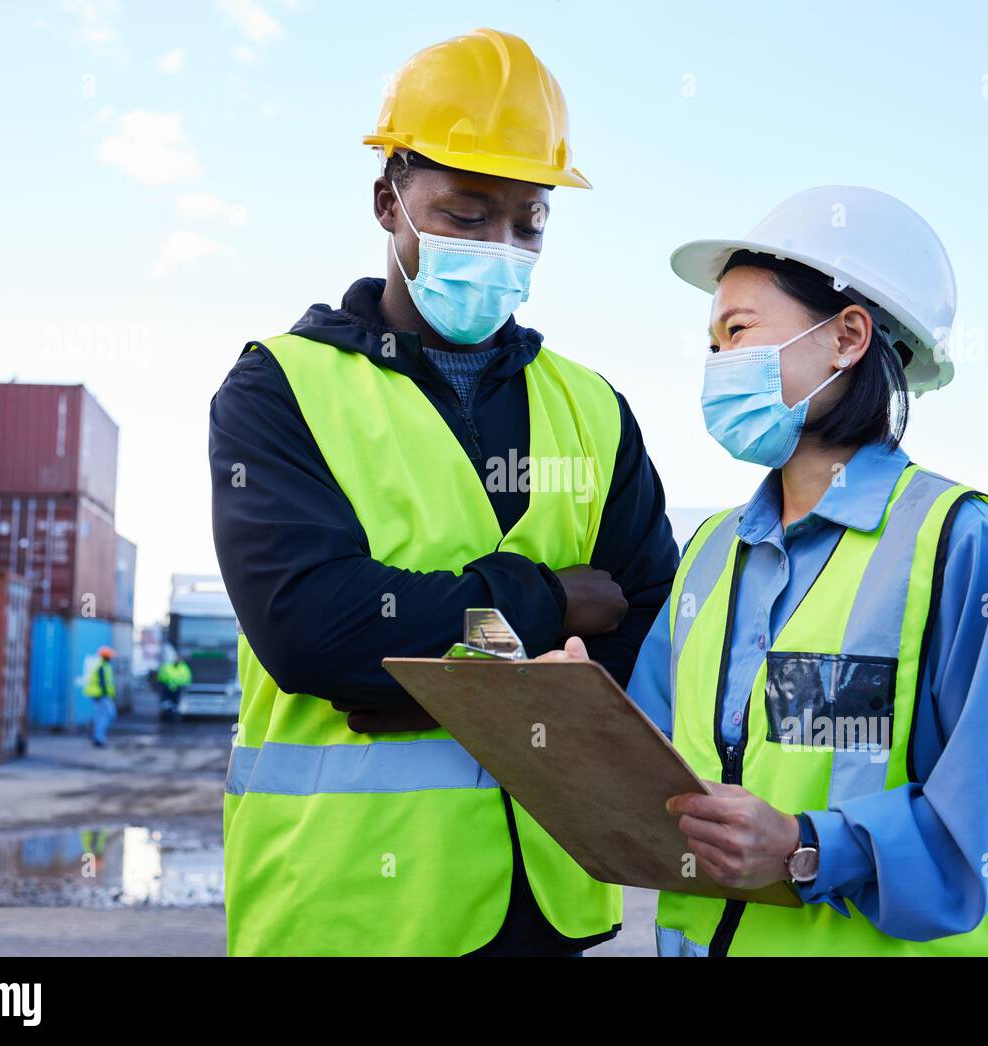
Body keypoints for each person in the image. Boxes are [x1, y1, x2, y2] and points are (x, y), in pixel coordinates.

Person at [209, 28, 677, 956]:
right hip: (351, 910)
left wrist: (426, 686)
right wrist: (547, 603)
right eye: (466, 214)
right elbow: (317, 629)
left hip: (548, 903)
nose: (501, 246)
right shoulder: (279, 389)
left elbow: (650, 632)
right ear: (389, 202)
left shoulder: (592, 407)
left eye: (529, 221)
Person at [542, 185, 988, 956]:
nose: (719, 365)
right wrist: (580, 721)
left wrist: (804, 845)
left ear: (849, 337)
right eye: (713, 346)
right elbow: (664, 771)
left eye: (740, 331)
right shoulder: (713, 554)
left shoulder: (964, 544)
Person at [84, 645, 116, 748]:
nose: (111, 657)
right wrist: (107, 695)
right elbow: (103, 684)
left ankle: (97, 737)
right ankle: (98, 738)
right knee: (109, 714)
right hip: (101, 695)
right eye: (110, 656)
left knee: (100, 717)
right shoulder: (102, 666)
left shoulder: (103, 665)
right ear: (106, 656)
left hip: (99, 695)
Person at [155, 653, 191, 722]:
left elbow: (187, 678)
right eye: (177, 659)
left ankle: (173, 716)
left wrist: (184, 686)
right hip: (167, 687)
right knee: (166, 702)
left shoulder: (184, 668)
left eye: (179, 659)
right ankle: (167, 715)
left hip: (178, 687)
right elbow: (161, 676)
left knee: (175, 704)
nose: (178, 661)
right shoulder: (167, 666)